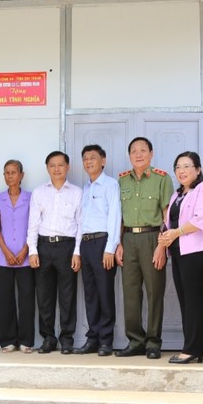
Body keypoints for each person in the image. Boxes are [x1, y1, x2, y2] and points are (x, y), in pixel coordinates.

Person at [115, 137, 173, 360]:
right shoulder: (121, 181)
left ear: (151, 153)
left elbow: (167, 215)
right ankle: (135, 341)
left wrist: (162, 246)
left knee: (154, 291)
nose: (138, 155)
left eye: (143, 150)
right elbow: (119, 216)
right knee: (130, 292)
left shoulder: (162, 178)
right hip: (129, 238)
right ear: (129, 155)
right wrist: (119, 243)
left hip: (152, 238)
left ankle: (153, 342)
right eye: (133, 151)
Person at [158, 151, 203, 364]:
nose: (181, 171)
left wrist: (175, 233)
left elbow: (201, 220)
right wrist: (165, 235)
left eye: (186, 166)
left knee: (193, 300)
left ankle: (192, 349)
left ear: (198, 169)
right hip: (178, 252)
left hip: (195, 252)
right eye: (178, 167)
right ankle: (191, 347)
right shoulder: (177, 194)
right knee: (185, 300)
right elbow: (169, 222)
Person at [27, 151, 82, 354]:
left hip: (67, 247)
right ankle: (48, 339)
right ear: (47, 168)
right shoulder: (39, 192)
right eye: (52, 165)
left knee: (67, 296)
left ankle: (67, 339)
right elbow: (33, 224)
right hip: (44, 247)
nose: (56, 169)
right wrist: (32, 250)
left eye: (60, 165)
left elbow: (81, 224)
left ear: (67, 167)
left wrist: (77, 252)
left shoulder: (77, 192)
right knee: (44, 297)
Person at [74, 144, 121, 357]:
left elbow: (114, 217)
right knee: (91, 294)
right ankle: (92, 338)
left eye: (93, 158)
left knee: (104, 293)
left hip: (103, 243)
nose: (88, 162)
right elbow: (81, 222)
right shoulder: (85, 188)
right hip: (86, 244)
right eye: (85, 158)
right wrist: (78, 250)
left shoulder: (110, 185)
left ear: (103, 160)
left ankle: (106, 341)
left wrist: (110, 248)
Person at [0, 160, 35, 353]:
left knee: (26, 299)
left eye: (14, 172)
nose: (10, 176)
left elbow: (34, 226)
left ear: (21, 175)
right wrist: (7, 252)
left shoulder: (31, 198)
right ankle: (8, 340)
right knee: (5, 299)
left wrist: (25, 250)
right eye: (7, 173)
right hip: (4, 259)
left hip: (26, 258)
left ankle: (26, 340)